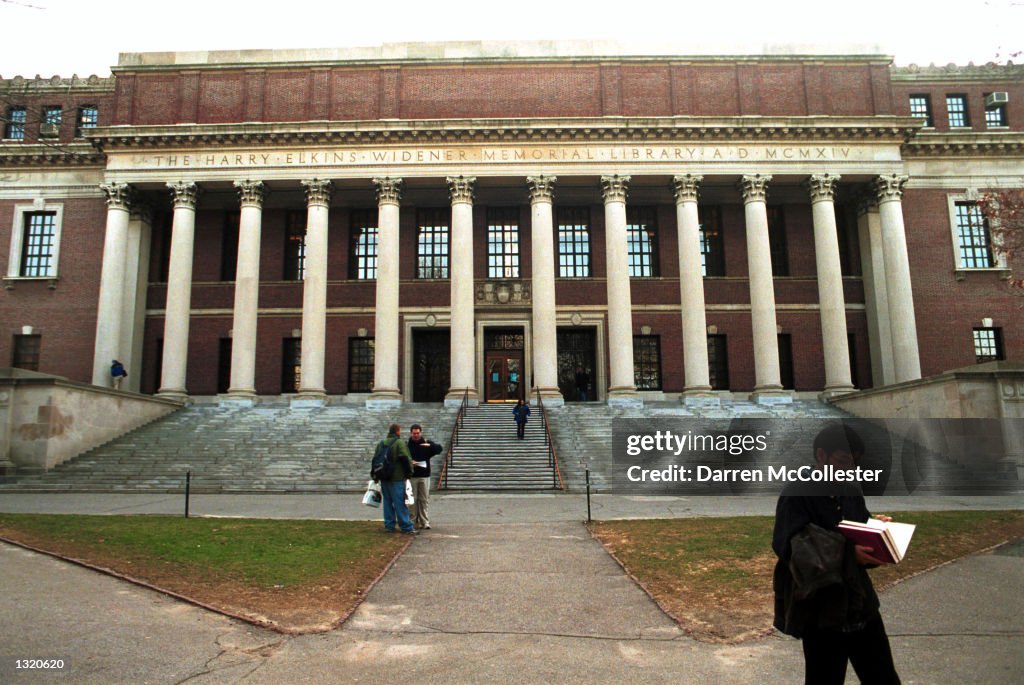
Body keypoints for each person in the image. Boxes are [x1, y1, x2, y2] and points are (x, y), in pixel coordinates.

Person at [772, 423, 901, 685]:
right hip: (821, 612)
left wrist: (876, 532)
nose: (849, 469)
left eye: (853, 462)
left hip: (861, 605)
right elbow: (789, 547)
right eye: (843, 461)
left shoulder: (851, 490)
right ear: (821, 456)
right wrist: (848, 554)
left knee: (884, 678)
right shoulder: (798, 493)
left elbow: (856, 531)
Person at [375, 423, 417, 535]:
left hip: (384, 477)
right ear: (398, 431)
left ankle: (389, 525)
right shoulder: (399, 443)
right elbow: (406, 459)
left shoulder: (381, 443)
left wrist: (375, 476)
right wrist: (409, 473)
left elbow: (375, 460)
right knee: (400, 503)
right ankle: (406, 526)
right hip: (397, 477)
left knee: (387, 502)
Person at [407, 423, 443, 530]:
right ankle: (412, 520)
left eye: (418, 433)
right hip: (412, 475)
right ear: (411, 433)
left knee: (424, 499)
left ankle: (424, 521)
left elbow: (439, 449)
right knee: (412, 499)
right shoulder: (407, 444)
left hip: (424, 475)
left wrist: (430, 446)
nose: (416, 435)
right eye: (414, 433)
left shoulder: (426, 443)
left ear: (421, 432)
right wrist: (410, 462)